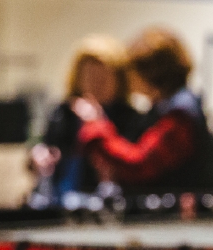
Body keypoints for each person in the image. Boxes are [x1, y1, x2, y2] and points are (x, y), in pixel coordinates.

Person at [73, 27, 213, 192]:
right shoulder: (170, 107)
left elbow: (140, 165)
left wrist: (96, 125)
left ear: (149, 72)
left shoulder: (179, 115)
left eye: (131, 70)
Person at [30, 34, 146, 199]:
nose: (96, 83)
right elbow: (45, 148)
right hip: (59, 199)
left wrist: (96, 123)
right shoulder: (62, 112)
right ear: (77, 78)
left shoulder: (132, 118)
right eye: (90, 75)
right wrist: (38, 155)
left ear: (119, 80)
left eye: (104, 77)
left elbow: (130, 164)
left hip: (107, 202)